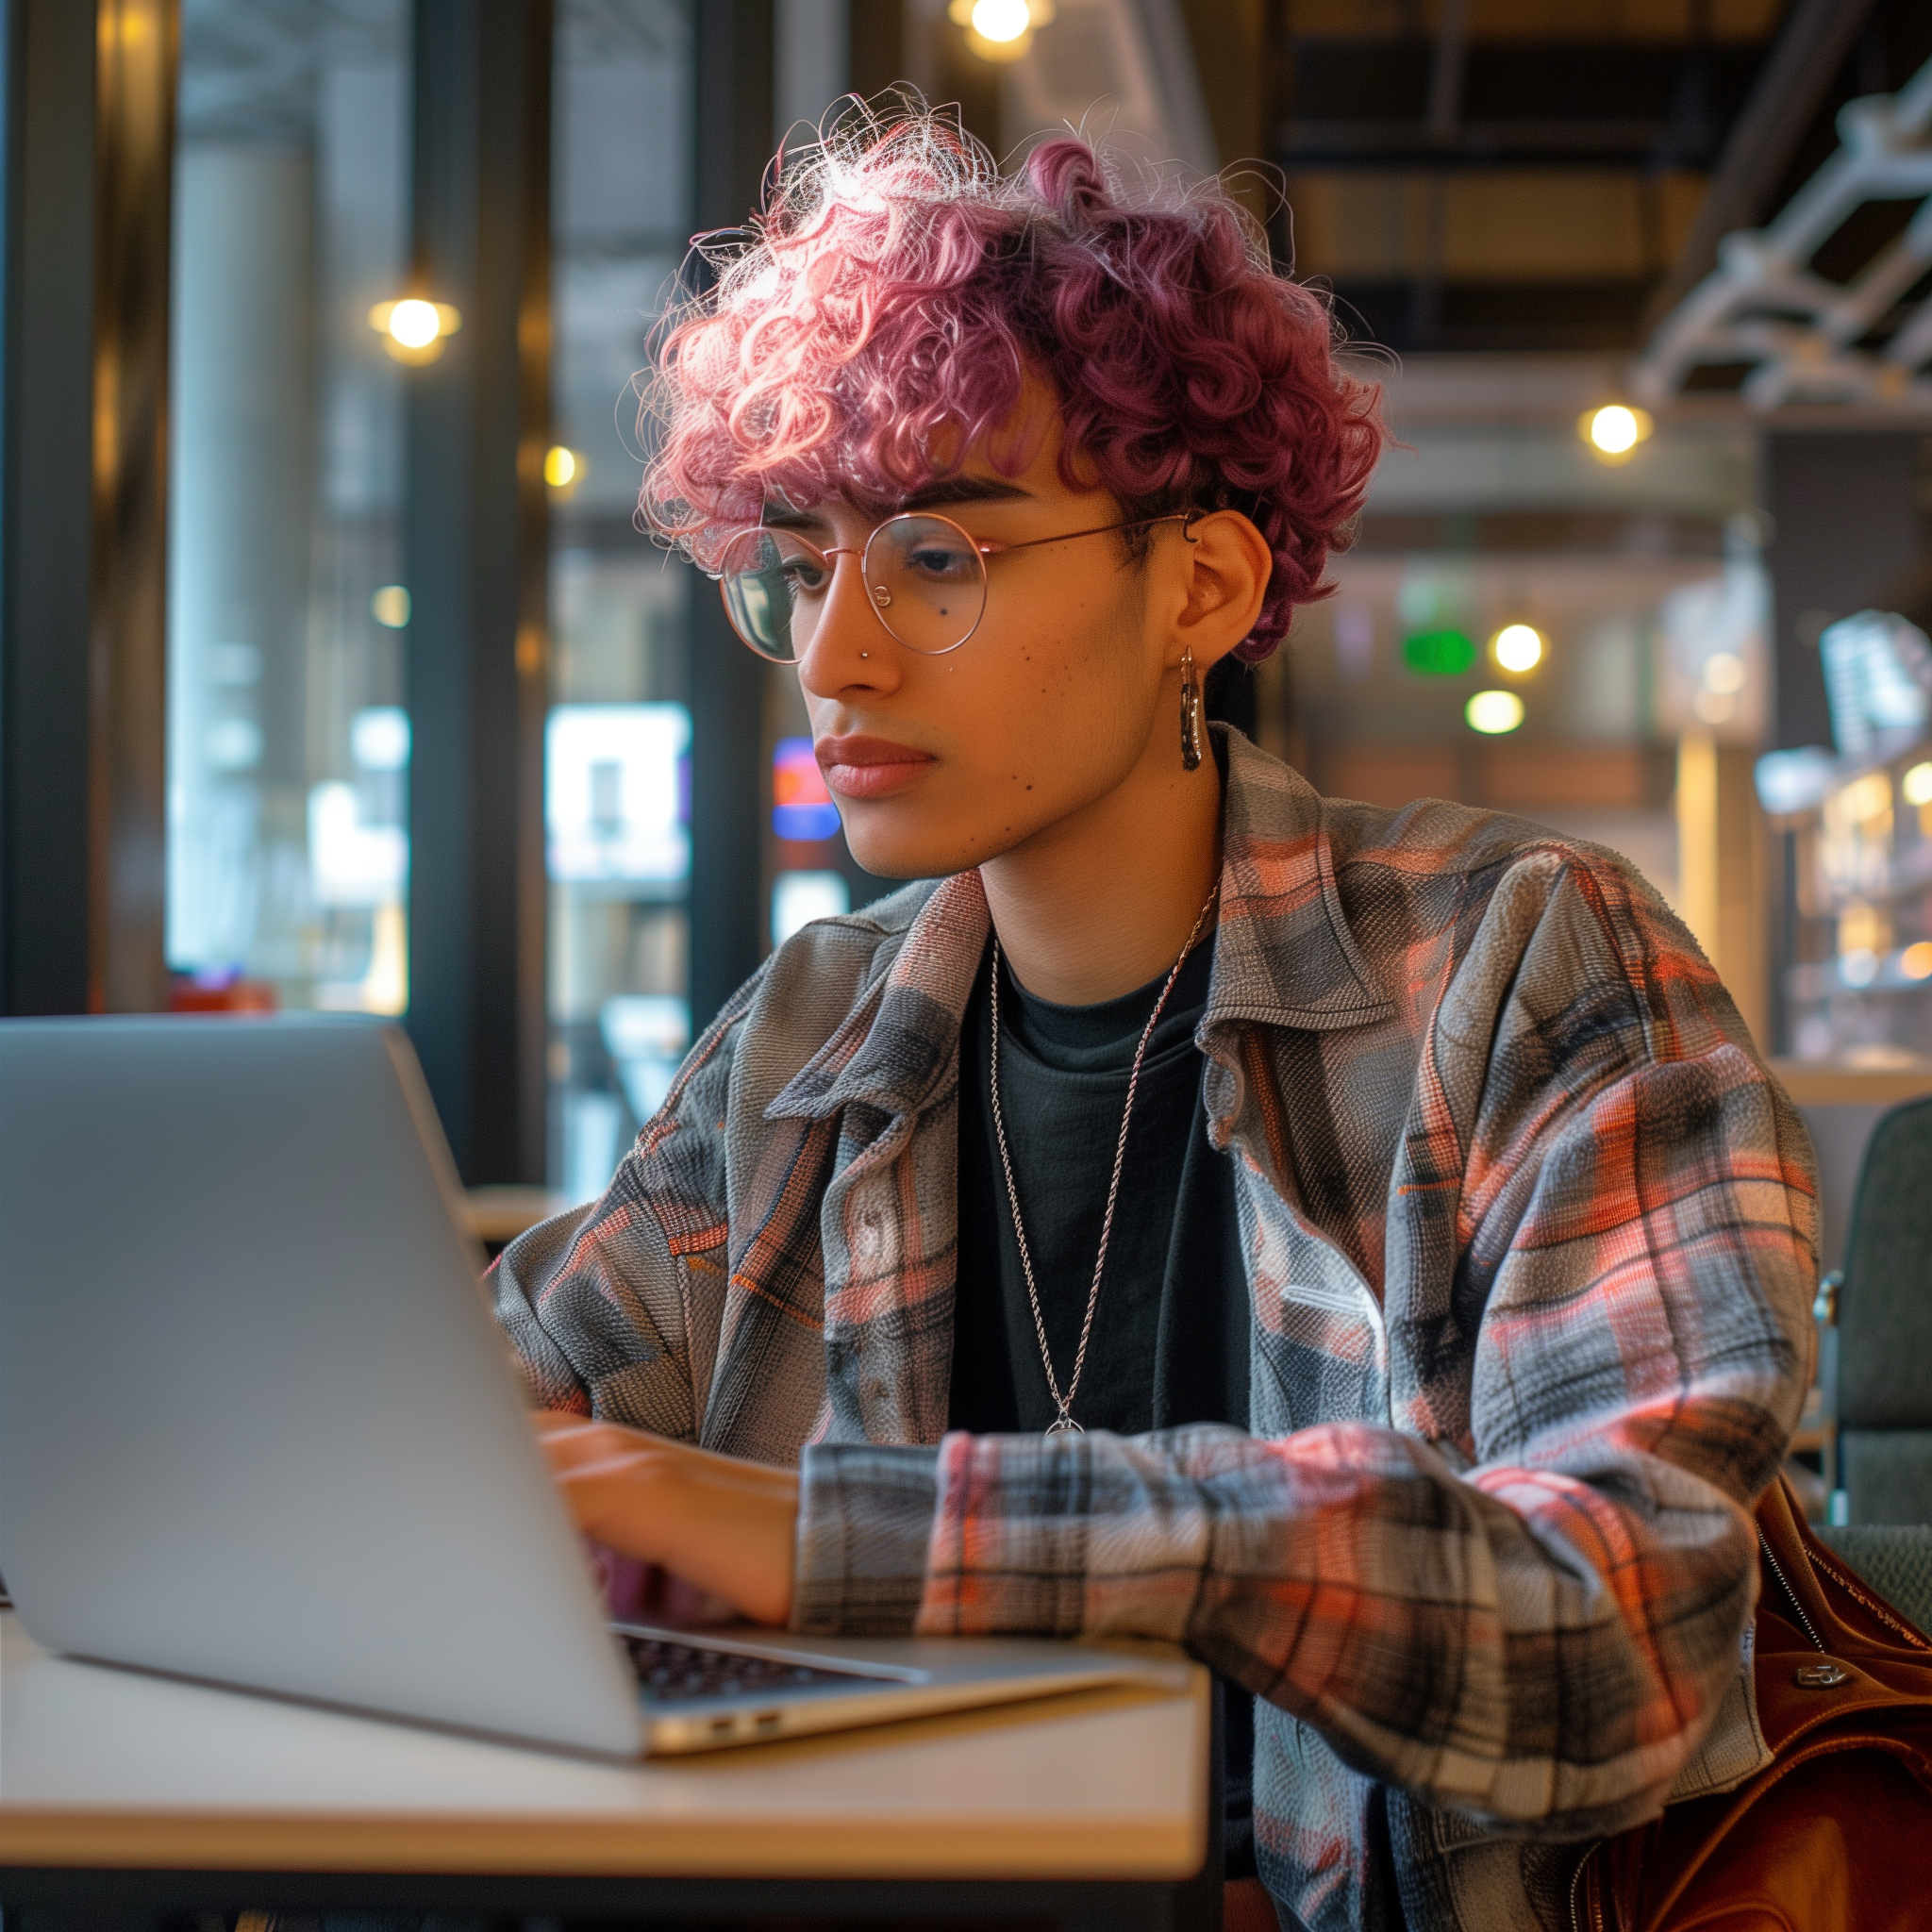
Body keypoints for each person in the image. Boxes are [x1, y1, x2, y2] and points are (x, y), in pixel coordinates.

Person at [494, 103, 1817, 1932]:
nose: (834, 657)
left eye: (937, 559)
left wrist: (845, 1542)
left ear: (1201, 585)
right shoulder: (808, 1027)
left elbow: (1637, 1626)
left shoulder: (1520, 959)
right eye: (804, 567)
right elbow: (501, 1423)